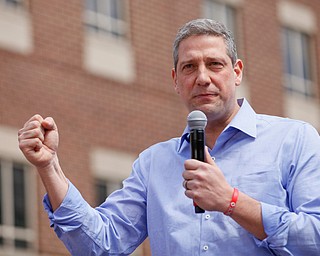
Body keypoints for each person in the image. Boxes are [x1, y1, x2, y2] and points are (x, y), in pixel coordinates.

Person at [18, 18, 320, 255]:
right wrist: (49, 167)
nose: (202, 78)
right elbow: (100, 246)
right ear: (176, 80)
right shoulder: (154, 163)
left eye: (214, 64)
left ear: (237, 72)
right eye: (189, 67)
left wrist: (231, 201)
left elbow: (315, 238)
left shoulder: (294, 140)